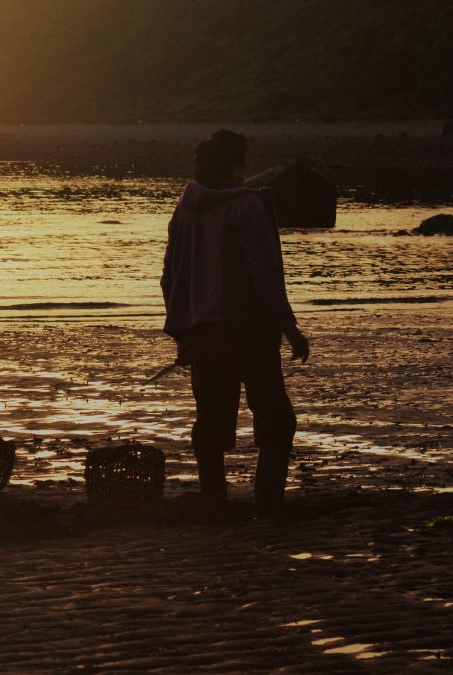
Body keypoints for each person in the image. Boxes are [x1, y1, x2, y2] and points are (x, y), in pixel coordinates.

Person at [160, 129, 310, 514]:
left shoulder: (185, 208)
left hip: (201, 332)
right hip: (249, 332)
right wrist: (290, 329)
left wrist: (181, 335)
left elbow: (170, 276)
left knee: (211, 421)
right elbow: (265, 275)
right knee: (275, 418)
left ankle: (214, 499)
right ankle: (268, 500)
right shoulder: (248, 207)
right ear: (236, 167)